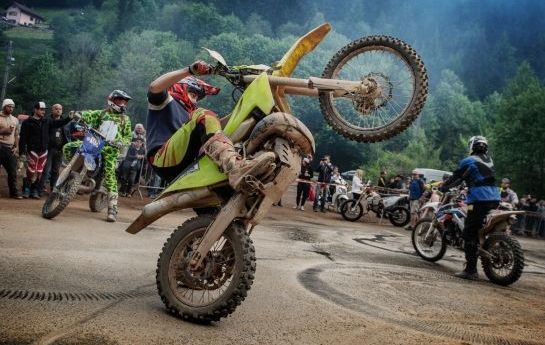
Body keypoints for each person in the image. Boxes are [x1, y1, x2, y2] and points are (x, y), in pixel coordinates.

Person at [145, 60, 275, 190]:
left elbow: (216, 127)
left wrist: (249, 112)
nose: (195, 100)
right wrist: (189, 70)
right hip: (161, 159)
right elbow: (154, 87)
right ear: (180, 87)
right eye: (193, 94)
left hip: (184, 163)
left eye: (197, 97)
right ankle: (234, 166)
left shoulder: (191, 117)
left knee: (212, 124)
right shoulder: (166, 101)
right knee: (203, 114)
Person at [63, 90, 133, 222]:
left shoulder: (126, 119)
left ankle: (112, 208)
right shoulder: (101, 113)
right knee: (68, 146)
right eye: (120, 100)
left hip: (111, 151)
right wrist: (78, 114)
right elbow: (89, 114)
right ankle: (69, 171)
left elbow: (128, 137)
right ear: (112, 100)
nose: (123, 103)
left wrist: (121, 142)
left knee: (110, 175)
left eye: (125, 101)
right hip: (94, 144)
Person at [440, 136, 500, 280]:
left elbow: (456, 176)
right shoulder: (489, 161)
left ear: (472, 146)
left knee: (469, 233)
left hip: (479, 199)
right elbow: (469, 176)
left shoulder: (468, 160)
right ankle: (485, 246)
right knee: (480, 226)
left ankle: (471, 270)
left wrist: (444, 187)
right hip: (494, 198)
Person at [19, 102, 71, 199]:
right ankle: (26, 189)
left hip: (43, 151)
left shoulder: (47, 121)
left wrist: (69, 118)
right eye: (41, 109)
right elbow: (22, 139)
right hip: (32, 151)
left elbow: (58, 123)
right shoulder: (27, 122)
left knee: (39, 171)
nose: (43, 111)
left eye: (44, 110)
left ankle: (34, 190)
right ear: (35, 110)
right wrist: (22, 153)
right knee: (30, 171)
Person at [41, 103, 66, 193]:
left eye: (60, 109)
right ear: (52, 110)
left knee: (56, 170)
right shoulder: (47, 120)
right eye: (56, 108)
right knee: (46, 169)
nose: (58, 110)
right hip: (49, 148)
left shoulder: (64, 121)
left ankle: (53, 189)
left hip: (60, 149)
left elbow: (66, 134)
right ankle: (41, 188)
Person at [0, 98, 22, 199]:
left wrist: (16, 146)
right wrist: (4, 130)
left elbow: (17, 135)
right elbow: (6, 131)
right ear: (4, 106)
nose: (11, 108)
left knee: (12, 172)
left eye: (13, 107)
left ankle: (14, 193)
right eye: (9, 106)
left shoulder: (15, 119)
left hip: (10, 148)